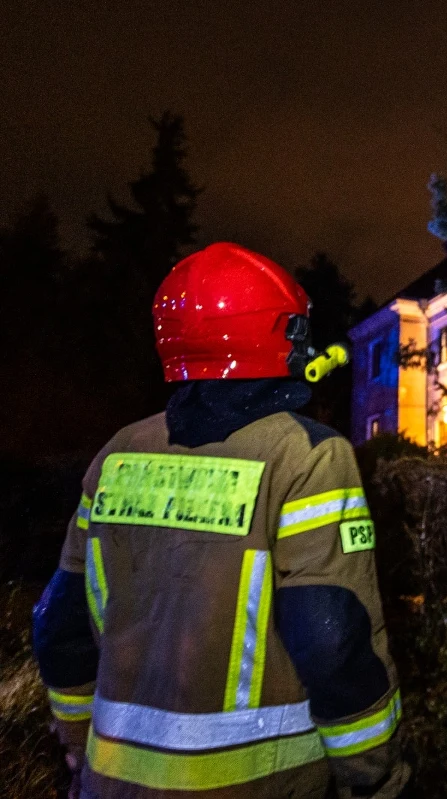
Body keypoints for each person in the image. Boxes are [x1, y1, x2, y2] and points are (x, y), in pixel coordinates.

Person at [31, 242, 408, 798]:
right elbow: (333, 640)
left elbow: (59, 627)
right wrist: (375, 775)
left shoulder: (119, 454)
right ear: (280, 334)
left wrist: (81, 742)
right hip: (264, 784)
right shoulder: (307, 456)